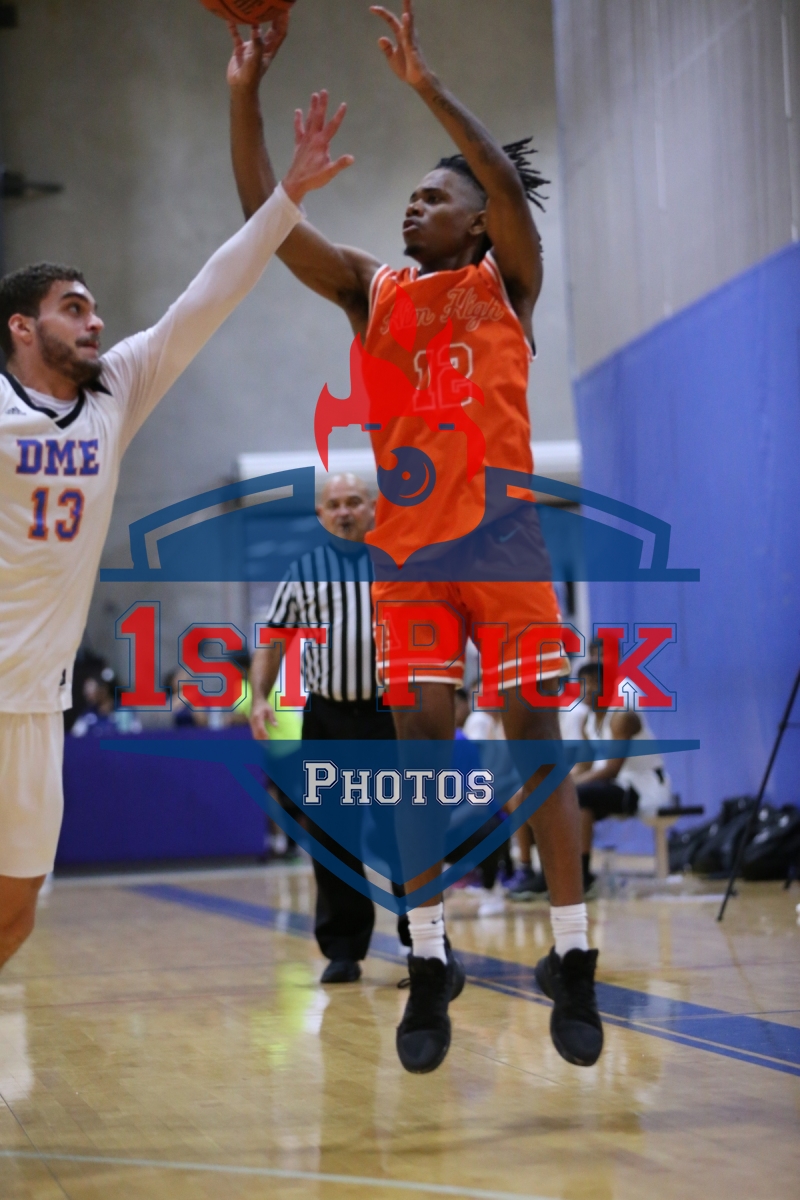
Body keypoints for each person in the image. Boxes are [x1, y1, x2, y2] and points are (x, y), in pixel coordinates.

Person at [229, 1, 602, 1074]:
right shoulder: (373, 291)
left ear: (478, 220)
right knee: (418, 752)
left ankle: (573, 953)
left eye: (435, 196)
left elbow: (501, 183)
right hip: (410, 562)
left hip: (503, 549)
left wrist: (427, 84)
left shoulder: (506, 284)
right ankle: (427, 955)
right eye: (410, 194)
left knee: (537, 745)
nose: (413, 204)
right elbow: (264, 220)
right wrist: (243, 95)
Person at [0, 42, 353, 972]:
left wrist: (288, 196)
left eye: (95, 309)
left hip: (34, 703)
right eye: (75, 308)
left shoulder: (115, 392)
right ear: (23, 327)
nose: (96, 321)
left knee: (15, 915)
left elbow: (209, 294)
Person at [249, 474, 398, 983]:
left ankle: (423, 940)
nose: (344, 511)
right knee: (333, 834)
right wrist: (260, 697)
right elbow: (273, 639)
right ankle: (343, 949)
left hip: (389, 715)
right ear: (321, 515)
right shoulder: (303, 572)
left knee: (402, 831)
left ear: (373, 508)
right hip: (328, 718)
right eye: (334, 504)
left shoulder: (396, 563)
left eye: (353, 502)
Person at [572, 662, 672, 895]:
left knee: (579, 794)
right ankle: (552, 873)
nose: (588, 689)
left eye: (595, 682)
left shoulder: (622, 716)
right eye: (584, 683)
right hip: (617, 786)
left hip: (645, 787)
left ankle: (582, 876)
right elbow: (584, 766)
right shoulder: (587, 722)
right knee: (560, 797)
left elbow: (612, 770)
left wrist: (571, 786)